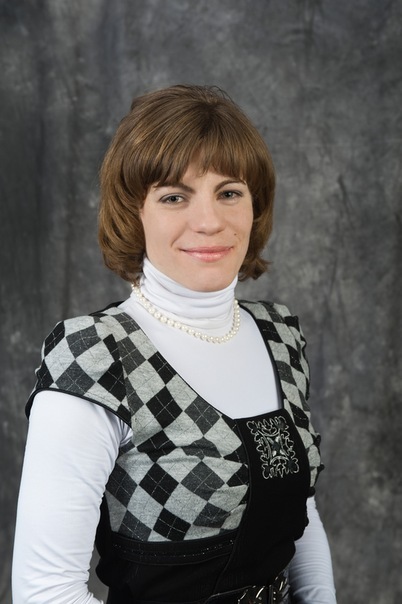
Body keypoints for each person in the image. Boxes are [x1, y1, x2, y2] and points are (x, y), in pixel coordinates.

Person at [12, 84, 337, 604]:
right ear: (133, 212)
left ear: (255, 205)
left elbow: (300, 514)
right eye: (174, 197)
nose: (209, 221)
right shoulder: (96, 357)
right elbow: (45, 591)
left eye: (229, 193)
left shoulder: (279, 336)